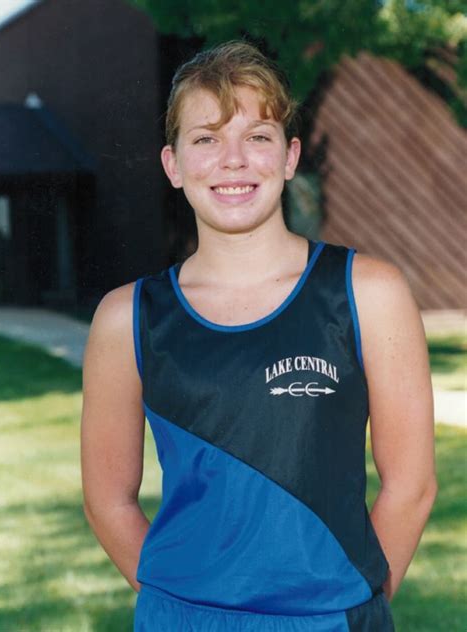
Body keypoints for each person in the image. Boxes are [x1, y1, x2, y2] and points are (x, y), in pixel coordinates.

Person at [80, 40, 437, 631]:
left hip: (332, 617)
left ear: (290, 156)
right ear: (172, 164)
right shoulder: (128, 317)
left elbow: (412, 487)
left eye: (258, 137)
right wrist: (184, 603)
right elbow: (108, 501)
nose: (233, 160)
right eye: (205, 139)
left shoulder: (368, 293)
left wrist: (351, 602)